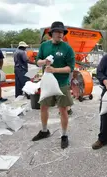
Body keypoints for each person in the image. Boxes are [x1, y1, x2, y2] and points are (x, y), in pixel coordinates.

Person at [32, 21, 75, 149]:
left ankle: (64, 135)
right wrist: (44, 62)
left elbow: (70, 68)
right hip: (47, 82)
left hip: (62, 83)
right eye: (57, 32)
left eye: (62, 32)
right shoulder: (44, 46)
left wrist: (55, 70)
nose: (60, 34)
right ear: (52, 33)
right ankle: (45, 131)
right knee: (43, 107)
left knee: (63, 109)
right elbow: (37, 61)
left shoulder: (67, 48)